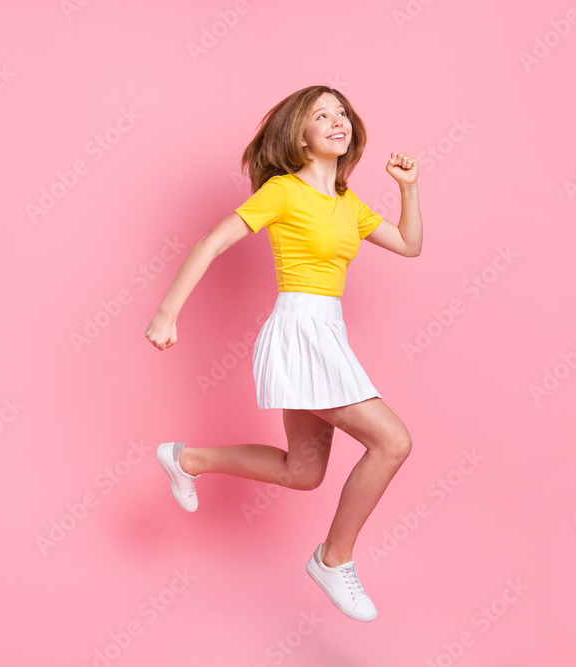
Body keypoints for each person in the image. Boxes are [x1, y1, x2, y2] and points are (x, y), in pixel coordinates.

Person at [144, 85, 423, 623]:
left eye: (342, 112)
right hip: (300, 330)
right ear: (300, 135)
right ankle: (332, 558)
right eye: (322, 115)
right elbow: (213, 242)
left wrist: (409, 189)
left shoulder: (349, 204)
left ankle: (186, 459)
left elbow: (409, 245)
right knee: (392, 441)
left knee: (303, 471)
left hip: (328, 332)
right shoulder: (283, 192)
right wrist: (167, 313)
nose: (337, 120)